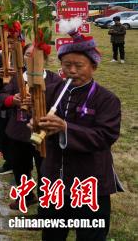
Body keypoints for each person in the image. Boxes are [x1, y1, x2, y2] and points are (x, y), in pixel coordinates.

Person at [37, 27, 121, 240]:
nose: (72, 71)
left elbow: (105, 136)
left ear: (93, 67)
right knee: (52, 233)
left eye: (79, 66)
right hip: (55, 177)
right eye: (67, 65)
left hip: (90, 180)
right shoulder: (53, 90)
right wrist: (36, 124)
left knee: (90, 235)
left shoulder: (107, 99)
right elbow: (41, 120)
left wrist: (66, 128)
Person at [0, 44, 63, 210]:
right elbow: (3, 95)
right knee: (20, 167)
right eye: (27, 55)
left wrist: (38, 103)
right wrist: (12, 100)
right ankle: (27, 196)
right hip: (18, 131)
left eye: (36, 55)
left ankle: (46, 205)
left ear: (44, 58)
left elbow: (59, 105)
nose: (31, 58)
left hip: (43, 134)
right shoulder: (18, 77)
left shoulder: (54, 80)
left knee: (45, 169)